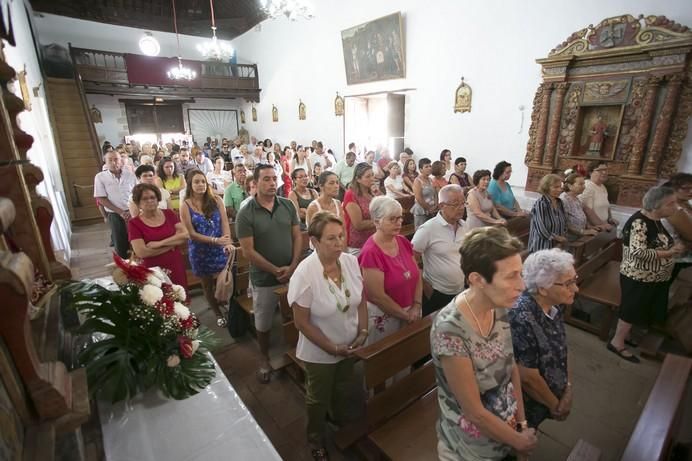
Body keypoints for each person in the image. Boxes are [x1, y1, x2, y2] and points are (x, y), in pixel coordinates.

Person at [431, 226, 536, 461]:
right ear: (477, 279)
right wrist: (520, 441)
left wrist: (521, 423)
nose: (522, 285)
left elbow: (511, 369)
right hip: (472, 447)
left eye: (521, 273)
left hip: (507, 428)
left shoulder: (499, 305)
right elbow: (474, 413)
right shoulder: (451, 330)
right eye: (511, 276)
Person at [288, 213, 368, 461]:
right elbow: (301, 322)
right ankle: (315, 437)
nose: (339, 243)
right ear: (314, 241)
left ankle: (340, 422)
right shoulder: (305, 274)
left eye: (341, 236)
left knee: (343, 387)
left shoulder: (350, 262)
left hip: (349, 343)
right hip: (319, 350)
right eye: (331, 239)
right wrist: (332, 348)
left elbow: (361, 299)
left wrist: (363, 330)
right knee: (318, 397)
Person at [236, 164, 302, 383]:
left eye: (274, 179)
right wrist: (275, 270)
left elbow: (297, 237)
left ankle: (298, 352)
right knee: (263, 322)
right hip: (264, 278)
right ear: (255, 183)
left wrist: (292, 267)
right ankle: (264, 358)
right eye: (266, 179)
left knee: (299, 315)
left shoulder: (287, 206)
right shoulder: (246, 212)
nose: (272, 183)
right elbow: (248, 251)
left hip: (292, 273)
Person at [608, 186, 686, 363]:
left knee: (638, 309)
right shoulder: (639, 222)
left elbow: (659, 242)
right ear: (656, 206)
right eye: (671, 204)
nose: (676, 207)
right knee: (630, 310)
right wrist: (670, 252)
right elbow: (638, 252)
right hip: (638, 275)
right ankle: (616, 342)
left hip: (654, 276)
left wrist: (675, 246)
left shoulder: (656, 219)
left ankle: (625, 336)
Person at [509, 249, 576, 429]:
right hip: (524, 405)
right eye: (568, 283)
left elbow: (561, 348)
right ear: (542, 289)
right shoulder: (521, 318)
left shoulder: (554, 306)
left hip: (548, 398)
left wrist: (567, 387)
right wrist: (556, 406)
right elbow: (527, 379)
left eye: (574, 280)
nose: (576, 289)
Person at [359, 196, 422, 343]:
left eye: (400, 218)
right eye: (392, 219)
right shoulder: (370, 252)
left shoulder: (402, 241)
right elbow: (377, 296)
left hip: (412, 309)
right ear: (376, 222)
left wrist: (417, 305)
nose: (399, 223)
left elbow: (417, 273)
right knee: (390, 359)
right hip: (386, 316)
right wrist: (406, 316)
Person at [180, 170, 234, 327]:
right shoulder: (186, 205)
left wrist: (227, 241)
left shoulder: (216, 200)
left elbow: (225, 223)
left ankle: (226, 303)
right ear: (190, 185)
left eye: (203, 181)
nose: (200, 185)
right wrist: (215, 240)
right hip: (200, 251)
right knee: (207, 283)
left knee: (225, 279)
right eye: (196, 182)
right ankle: (217, 311)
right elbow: (191, 233)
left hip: (220, 248)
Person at [412, 185, 468, 316]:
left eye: (463, 203)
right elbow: (411, 257)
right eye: (455, 204)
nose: (461, 208)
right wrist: (425, 286)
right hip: (436, 291)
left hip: (460, 289)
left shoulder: (464, 225)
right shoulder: (428, 229)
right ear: (442, 205)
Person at [127, 184, 189, 290]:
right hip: (152, 269)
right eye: (144, 199)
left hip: (175, 264)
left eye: (152, 197)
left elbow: (185, 235)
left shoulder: (169, 214)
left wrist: (160, 244)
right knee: (161, 301)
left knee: (180, 295)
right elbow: (141, 252)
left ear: (158, 199)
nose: (150, 201)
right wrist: (170, 246)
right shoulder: (134, 223)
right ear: (138, 203)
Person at [94, 150, 137, 258]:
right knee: (120, 242)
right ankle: (125, 267)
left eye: (116, 159)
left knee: (136, 240)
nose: (114, 162)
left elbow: (136, 192)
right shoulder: (100, 177)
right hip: (115, 214)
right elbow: (101, 197)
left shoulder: (129, 175)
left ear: (121, 160)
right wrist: (121, 212)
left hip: (132, 211)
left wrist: (134, 210)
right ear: (105, 162)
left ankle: (138, 265)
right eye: (110, 160)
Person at [527, 174, 568, 253]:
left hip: (557, 246)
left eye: (560, 187)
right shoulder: (541, 204)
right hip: (541, 247)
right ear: (546, 188)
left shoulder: (560, 202)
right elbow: (541, 229)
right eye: (556, 187)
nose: (560, 190)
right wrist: (558, 239)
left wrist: (561, 239)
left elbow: (565, 222)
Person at [342, 162, 376, 255]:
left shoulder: (371, 193)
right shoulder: (351, 194)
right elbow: (358, 224)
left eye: (372, 175)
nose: (372, 179)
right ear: (358, 179)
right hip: (357, 244)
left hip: (373, 240)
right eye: (368, 176)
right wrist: (381, 221)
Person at [579, 161, 618, 231]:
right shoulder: (587, 186)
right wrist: (602, 225)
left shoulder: (602, 186)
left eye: (606, 170)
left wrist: (610, 218)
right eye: (600, 170)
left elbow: (606, 206)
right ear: (590, 172)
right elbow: (587, 210)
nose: (604, 172)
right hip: (594, 228)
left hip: (603, 225)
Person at [560, 173, 601, 239]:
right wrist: (584, 232)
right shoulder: (563, 200)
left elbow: (580, 216)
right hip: (569, 240)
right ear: (570, 186)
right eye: (581, 184)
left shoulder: (576, 199)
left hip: (579, 237)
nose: (584, 187)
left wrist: (589, 227)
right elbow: (565, 224)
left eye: (584, 184)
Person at [411, 158, 438, 229]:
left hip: (432, 209)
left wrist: (435, 204)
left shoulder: (431, 180)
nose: (429, 168)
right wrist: (428, 208)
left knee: (431, 230)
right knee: (421, 231)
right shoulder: (417, 181)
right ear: (420, 169)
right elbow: (418, 197)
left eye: (430, 166)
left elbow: (435, 193)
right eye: (426, 167)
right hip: (421, 210)